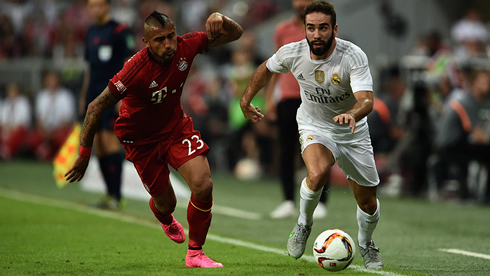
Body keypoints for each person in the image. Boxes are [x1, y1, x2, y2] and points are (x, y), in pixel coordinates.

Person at [65, 10, 243, 268]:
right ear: (146, 42)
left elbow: (235, 34)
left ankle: (195, 253)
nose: (168, 44)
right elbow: (95, 107)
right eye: (160, 40)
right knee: (167, 202)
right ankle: (162, 213)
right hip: (140, 141)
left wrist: (222, 19)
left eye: (171, 36)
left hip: (175, 129)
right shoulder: (134, 70)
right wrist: (83, 155)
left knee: (203, 185)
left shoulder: (186, 45)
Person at [240, 0, 383, 269]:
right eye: (311, 28)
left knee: (368, 201)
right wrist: (245, 100)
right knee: (316, 173)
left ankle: (366, 243)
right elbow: (265, 69)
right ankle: (303, 225)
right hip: (314, 126)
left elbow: (367, 101)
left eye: (323, 28)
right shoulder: (292, 52)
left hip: (353, 132)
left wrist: (352, 114)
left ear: (335, 29)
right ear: (304, 29)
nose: (317, 34)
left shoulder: (353, 55)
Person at [265, 0, 328, 219]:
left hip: (316, 98)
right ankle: (288, 201)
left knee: (320, 148)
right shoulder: (282, 30)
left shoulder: (320, 29)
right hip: (289, 98)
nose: (301, 3)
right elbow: (274, 66)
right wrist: (270, 99)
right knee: (286, 150)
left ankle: (321, 201)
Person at [79, 0, 135, 209]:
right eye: (92, 5)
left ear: (107, 6)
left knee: (109, 140)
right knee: (99, 144)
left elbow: (129, 64)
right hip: (93, 94)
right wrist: (83, 98)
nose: (95, 9)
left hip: (112, 93)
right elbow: (89, 69)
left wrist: (123, 97)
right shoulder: (90, 32)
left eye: (99, 5)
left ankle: (117, 196)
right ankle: (109, 194)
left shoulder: (120, 30)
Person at [31, 71, 75, 161]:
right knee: (33, 138)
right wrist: (44, 130)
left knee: (63, 137)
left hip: (58, 130)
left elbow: (67, 120)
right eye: (49, 80)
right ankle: (47, 153)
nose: (51, 82)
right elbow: (38, 118)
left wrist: (54, 132)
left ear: (58, 81)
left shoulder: (66, 96)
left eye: (53, 80)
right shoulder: (42, 96)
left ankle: (52, 154)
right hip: (45, 129)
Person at [0, 82, 31, 160]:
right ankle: (4, 151)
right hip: (7, 128)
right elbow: (2, 120)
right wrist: (6, 129)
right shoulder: (6, 102)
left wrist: (11, 129)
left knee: (17, 134)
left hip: (19, 129)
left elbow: (23, 121)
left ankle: (5, 153)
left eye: (14, 91)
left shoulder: (23, 102)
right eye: (10, 91)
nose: (12, 93)